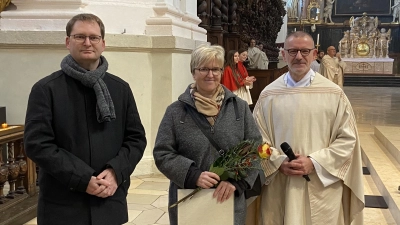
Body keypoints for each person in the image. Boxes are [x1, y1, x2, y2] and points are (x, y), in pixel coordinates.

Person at [24, 13, 147, 225]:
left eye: (94, 37)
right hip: (63, 206)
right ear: (67, 42)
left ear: (103, 44)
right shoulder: (46, 89)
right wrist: (83, 179)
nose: (87, 43)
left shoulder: (120, 89)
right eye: (80, 36)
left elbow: (136, 139)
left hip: (109, 201)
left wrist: (115, 171)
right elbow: (37, 144)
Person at [252, 31, 364, 225]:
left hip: (321, 185)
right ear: (283, 54)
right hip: (279, 183)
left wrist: (315, 162)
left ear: (314, 55)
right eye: (293, 51)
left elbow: (348, 140)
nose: (298, 57)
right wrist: (278, 162)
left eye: (305, 51)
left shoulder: (334, 94)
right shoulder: (268, 94)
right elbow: (256, 138)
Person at [153, 44, 262, 225]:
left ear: (221, 71)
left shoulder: (239, 108)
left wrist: (238, 183)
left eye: (215, 69)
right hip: (189, 197)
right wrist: (193, 174)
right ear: (193, 72)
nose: (210, 74)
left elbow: (256, 148)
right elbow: (162, 153)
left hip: (228, 198)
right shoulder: (176, 111)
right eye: (203, 69)